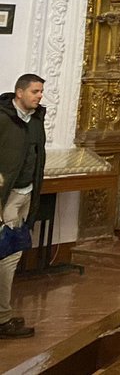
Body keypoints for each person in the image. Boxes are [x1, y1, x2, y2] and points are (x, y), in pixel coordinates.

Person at [0, 74, 46, 339]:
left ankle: (4, 315)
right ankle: (3, 318)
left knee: (12, 255)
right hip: (7, 198)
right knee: (5, 257)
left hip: (26, 195)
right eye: (35, 92)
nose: (40, 96)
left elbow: (36, 158)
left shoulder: (36, 120)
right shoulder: (4, 119)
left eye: (41, 92)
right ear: (19, 93)